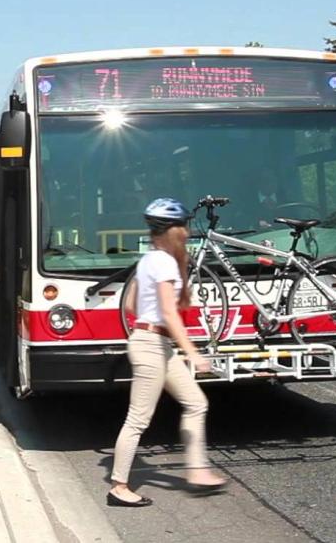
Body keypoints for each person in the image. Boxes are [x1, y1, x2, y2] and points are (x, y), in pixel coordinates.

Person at [108, 198, 228, 508]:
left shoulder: (148, 259)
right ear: (171, 230)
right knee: (138, 419)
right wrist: (194, 353)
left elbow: (132, 305)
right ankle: (118, 487)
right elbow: (169, 313)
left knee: (196, 403)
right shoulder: (163, 262)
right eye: (183, 226)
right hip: (152, 345)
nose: (187, 231)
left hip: (153, 342)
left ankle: (198, 470)